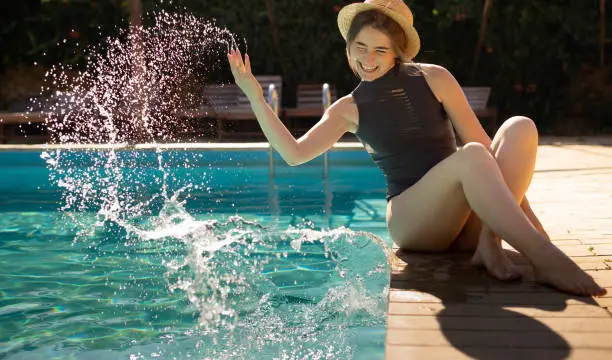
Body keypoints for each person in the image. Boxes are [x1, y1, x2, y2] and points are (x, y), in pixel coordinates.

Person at [227, 0, 606, 297]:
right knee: (471, 156)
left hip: (465, 218)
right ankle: (544, 259)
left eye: (380, 49)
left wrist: (530, 223)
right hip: (414, 221)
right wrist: (256, 98)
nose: (369, 60)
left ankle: (490, 242)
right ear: (348, 48)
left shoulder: (435, 78)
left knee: (520, 128)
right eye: (360, 47)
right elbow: (293, 154)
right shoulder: (348, 108)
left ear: (397, 52)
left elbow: (490, 150)